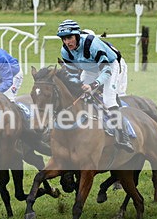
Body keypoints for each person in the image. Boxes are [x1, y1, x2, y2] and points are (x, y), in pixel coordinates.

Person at [56, 19, 133, 151]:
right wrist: (78, 86)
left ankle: (123, 136)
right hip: (90, 68)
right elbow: (73, 73)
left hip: (110, 66)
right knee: (80, 95)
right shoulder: (65, 51)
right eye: (64, 39)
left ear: (77, 35)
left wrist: (93, 85)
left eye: (69, 37)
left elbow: (106, 70)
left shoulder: (92, 44)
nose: (67, 42)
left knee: (109, 99)